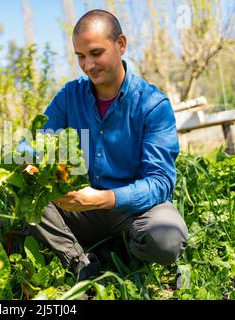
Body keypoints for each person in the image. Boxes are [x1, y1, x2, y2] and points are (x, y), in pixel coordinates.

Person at [27, 9, 188, 281]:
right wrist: (30, 162)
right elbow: (36, 142)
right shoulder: (69, 97)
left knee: (167, 238)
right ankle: (80, 261)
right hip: (79, 208)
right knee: (21, 190)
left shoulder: (152, 105)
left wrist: (103, 199)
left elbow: (160, 182)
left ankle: (126, 249)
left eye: (96, 53)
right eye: (80, 57)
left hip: (134, 210)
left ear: (121, 44)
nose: (88, 65)